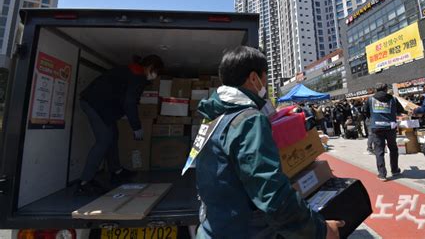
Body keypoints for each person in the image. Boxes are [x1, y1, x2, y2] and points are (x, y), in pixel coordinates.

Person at [195, 46, 344, 239]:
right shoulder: (248, 120)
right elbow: (271, 193)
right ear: (254, 78)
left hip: (213, 228)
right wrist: (320, 230)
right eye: (265, 77)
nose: (265, 83)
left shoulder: (212, 119)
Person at [76, 55, 163, 196]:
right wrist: (136, 127)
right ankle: (84, 182)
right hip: (95, 104)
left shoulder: (131, 71)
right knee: (103, 140)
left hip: (98, 104)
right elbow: (130, 102)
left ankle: (116, 172)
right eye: (156, 72)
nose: (155, 76)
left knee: (113, 135)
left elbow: (121, 97)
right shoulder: (138, 76)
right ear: (150, 67)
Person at [363, 83, 405, 181]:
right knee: (393, 149)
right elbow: (400, 110)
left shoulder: (370, 99)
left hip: (376, 127)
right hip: (390, 127)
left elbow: (365, 112)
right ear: (386, 89)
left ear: (376, 90)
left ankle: (382, 174)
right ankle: (395, 170)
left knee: (379, 150)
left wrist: (373, 117)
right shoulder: (393, 99)